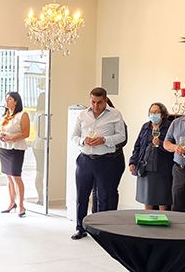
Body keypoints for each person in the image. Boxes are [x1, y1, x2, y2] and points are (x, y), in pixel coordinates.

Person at [70, 87, 126, 240]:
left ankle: (100, 230)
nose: (96, 106)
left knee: (103, 197)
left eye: (99, 102)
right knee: (81, 196)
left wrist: (105, 140)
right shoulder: (83, 115)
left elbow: (122, 136)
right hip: (85, 160)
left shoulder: (115, 114)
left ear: (105, 100)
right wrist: (83, 140)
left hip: (105, 161)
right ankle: (80, 228)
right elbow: (74, 135)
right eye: (93, 102)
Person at [129, 102, 173, 210]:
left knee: (163, 199)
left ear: (162, 114)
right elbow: (137, 146)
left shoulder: (169, 126)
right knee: (147, 198)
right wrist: (132, 162)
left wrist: (161, 144)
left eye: (156, 112)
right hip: (145, 168)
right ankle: (147, 223)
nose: (153, 114)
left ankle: (163, 222)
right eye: (151, 112)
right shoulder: (145, 127)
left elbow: (172, 145)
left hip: (163, 168)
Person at [0, 91, 30, 218]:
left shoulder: (22, 115)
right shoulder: (4, 116)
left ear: (16, 101)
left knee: (16, 176)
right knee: (8, 176)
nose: (6, 101)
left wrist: (11, 138)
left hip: (16, 148)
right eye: (6, 99)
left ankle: (21, 205)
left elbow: (26, 133)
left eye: (9, 99)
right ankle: (11, 203)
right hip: (4, 148)